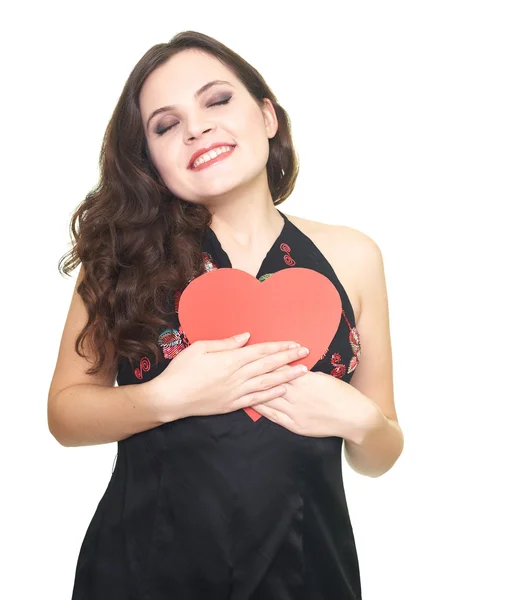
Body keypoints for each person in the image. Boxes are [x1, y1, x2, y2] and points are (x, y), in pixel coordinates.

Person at [48, 30, 404, 600]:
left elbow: (381, 451)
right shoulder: (123, 256)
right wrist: (168, 397)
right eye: (165, 125)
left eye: (217, 101)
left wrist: (356, 418)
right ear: (151, 161)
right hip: (142, 571)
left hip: (308, 574)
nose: (196, 127)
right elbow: (65, 415)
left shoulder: (355, 256)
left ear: (268, 116)